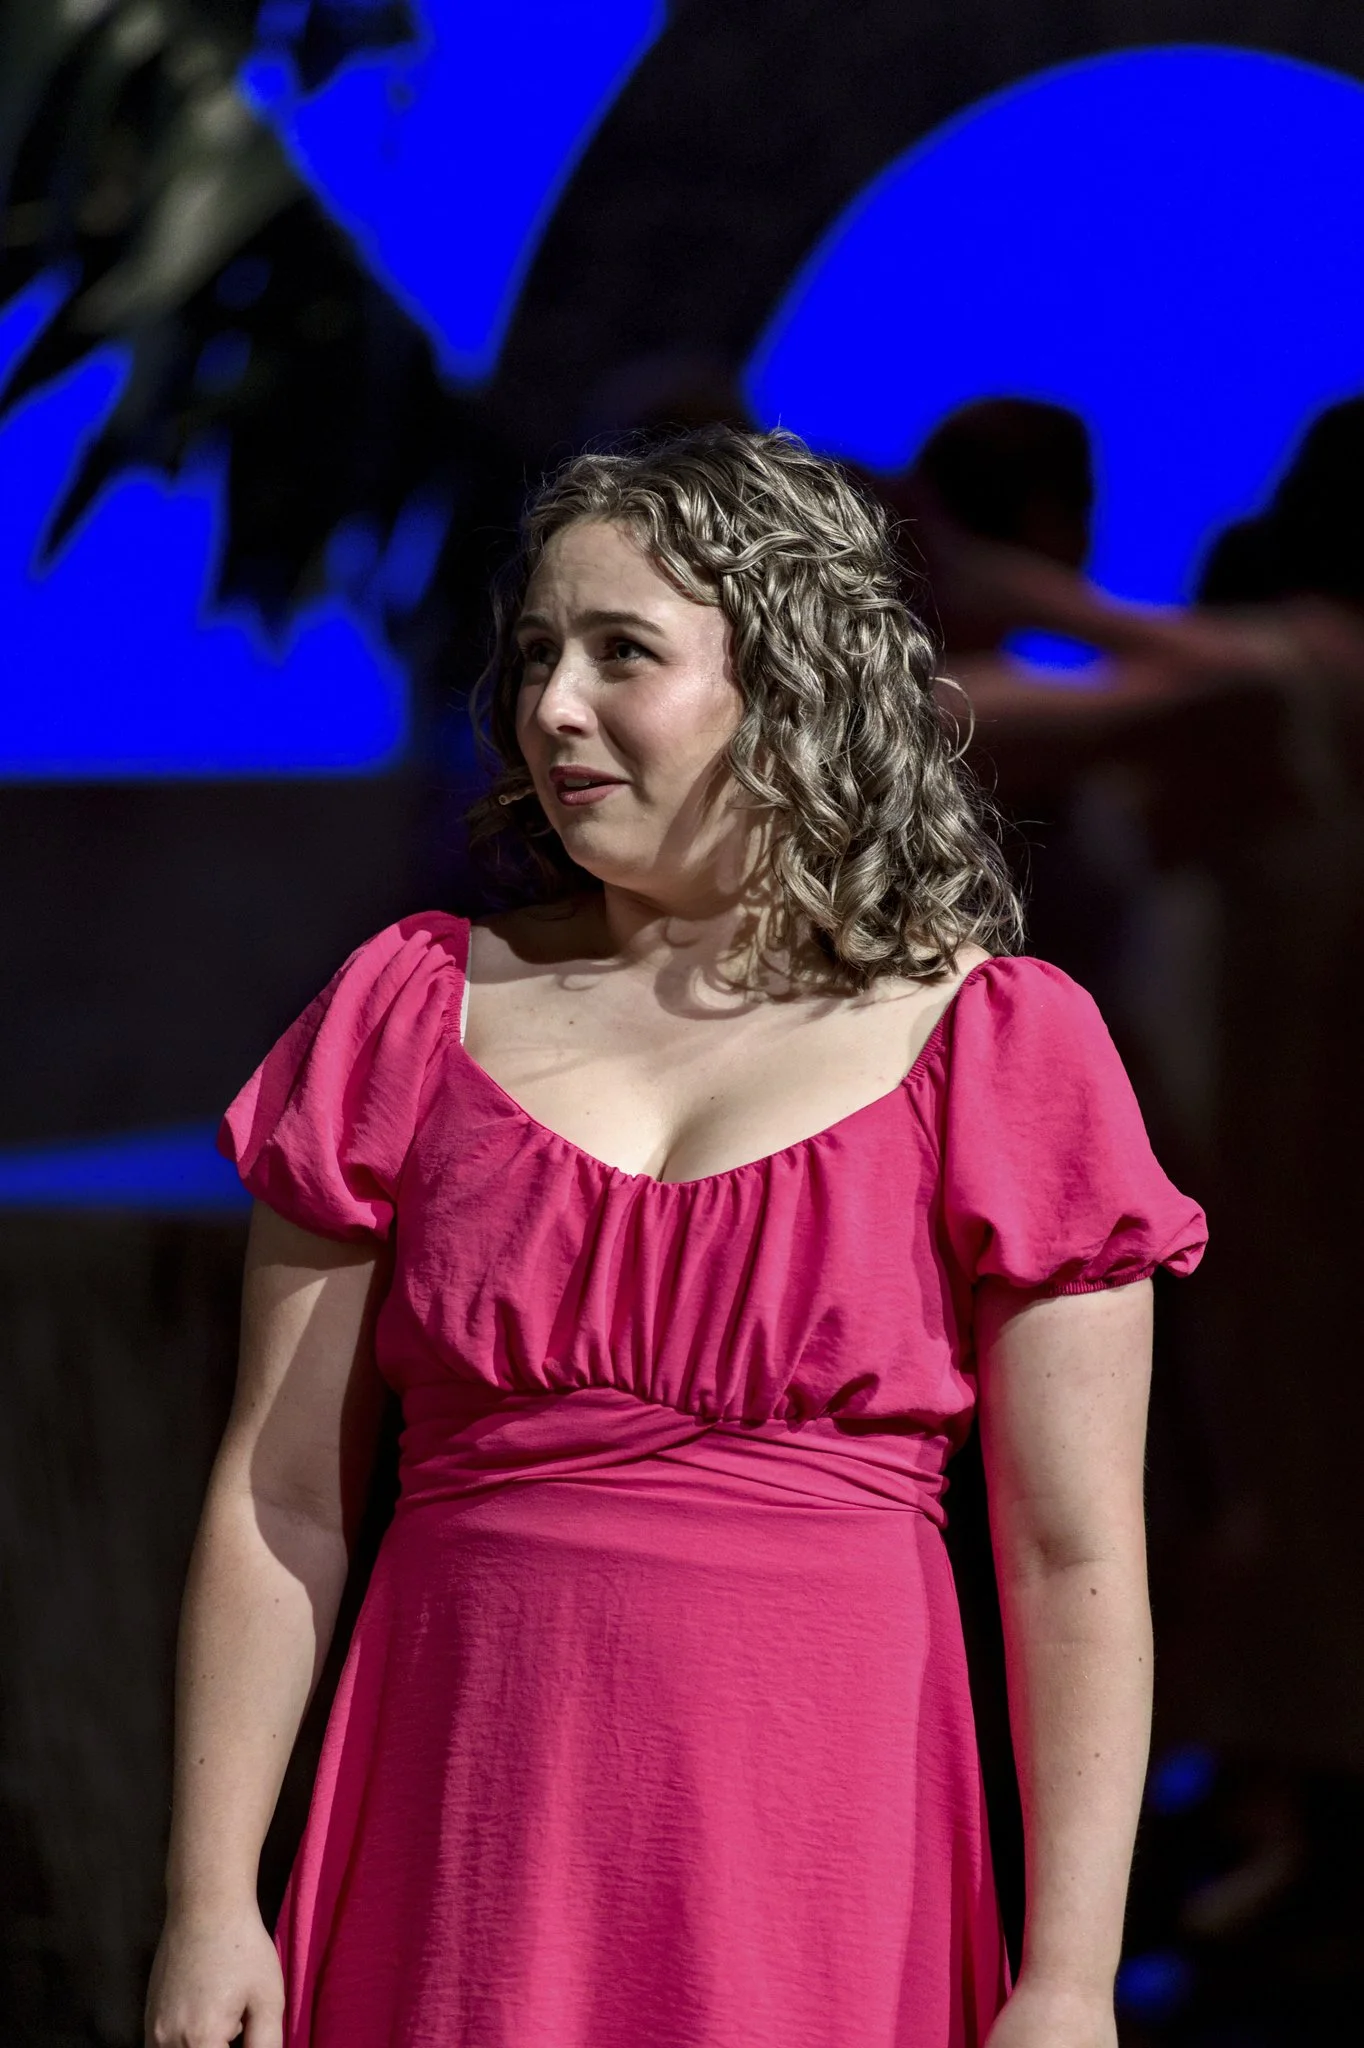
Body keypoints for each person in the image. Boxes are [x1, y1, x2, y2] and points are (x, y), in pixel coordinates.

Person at [145, 425, 1206, 2048]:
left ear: (788, 684)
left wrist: (1070, 1981)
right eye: (536, 656)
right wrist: (211, 1901)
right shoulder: (411, 1010)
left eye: (619, 652)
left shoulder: (1000, 1045)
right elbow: (281, 1496)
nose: (551, 705)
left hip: (817, 1831)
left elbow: (1071, 1560)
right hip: (468, 1817)